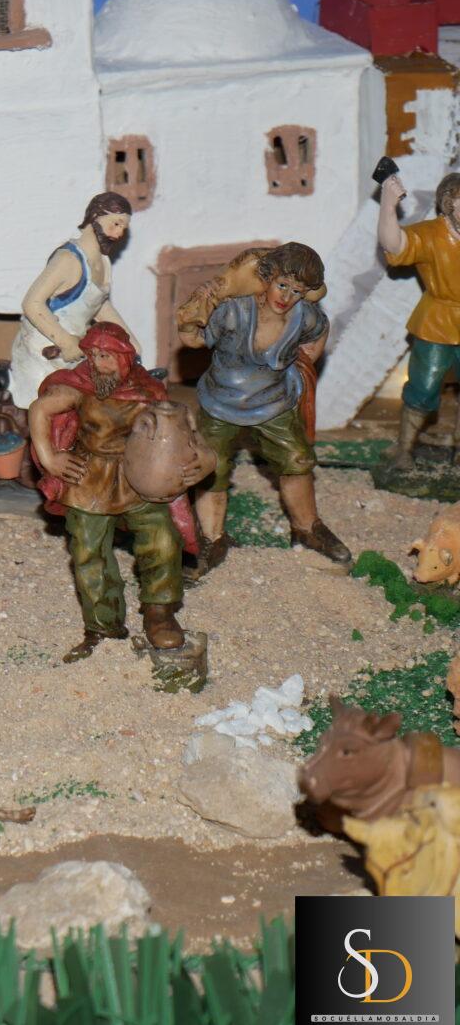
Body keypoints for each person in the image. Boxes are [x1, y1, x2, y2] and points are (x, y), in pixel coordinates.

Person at [28, 322, 203, 664]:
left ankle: (159, 613)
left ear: (124, 357)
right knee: (88, 550)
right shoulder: (79, 386)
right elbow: (40, 409)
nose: (97, 363)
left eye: (105, 356)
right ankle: (102, 624)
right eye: (93, 355)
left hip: (138, 477)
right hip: (89, 478)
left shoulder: (149, 390)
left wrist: (196, 460)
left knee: (162, 537)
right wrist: (50, 458)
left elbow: (181, 429)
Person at [180, 241, 348, 570]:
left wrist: (306, 359)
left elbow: (320, 330)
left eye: (297, 291)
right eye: (282, 285)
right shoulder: (234, 311)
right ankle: (211, 537)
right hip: (222, 401)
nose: (286, 297)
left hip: (274, 402)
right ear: (267, 279)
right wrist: (192, 312)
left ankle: (307, 528)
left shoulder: (305, 317)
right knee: (212, 466)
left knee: (296, 459)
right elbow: (194, 339)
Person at [8, 192, 139, 408]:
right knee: (48, 405)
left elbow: (98, 304)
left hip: (77, 348)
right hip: (46, 348)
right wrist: (65, 341)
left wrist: (129, 341)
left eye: (124, 228)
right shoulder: (68, 260)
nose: (118, 233)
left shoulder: (103, 262)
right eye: (115, 224)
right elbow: (32, 303)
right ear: (95, 216)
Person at [378, 170, 460, 469]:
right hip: (437, 324)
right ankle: (404, 450)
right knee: (423, 388)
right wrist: (388, 204)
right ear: (449, 205)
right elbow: (395, 244)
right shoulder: (430, 234)